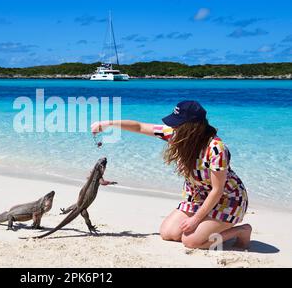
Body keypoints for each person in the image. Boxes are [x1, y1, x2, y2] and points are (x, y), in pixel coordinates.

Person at [91, 100, 252, 249]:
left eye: (178, 124)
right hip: (199, 196)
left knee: (191, 241)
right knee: (168, 233)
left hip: (228, 200)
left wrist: (195, 219)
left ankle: (241, 231)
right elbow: (139, 126)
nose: (173, 128)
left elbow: (217, 190)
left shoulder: (216, 148)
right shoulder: (178, 135)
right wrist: (107, 124)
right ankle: (207, 224)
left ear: (192, 127)